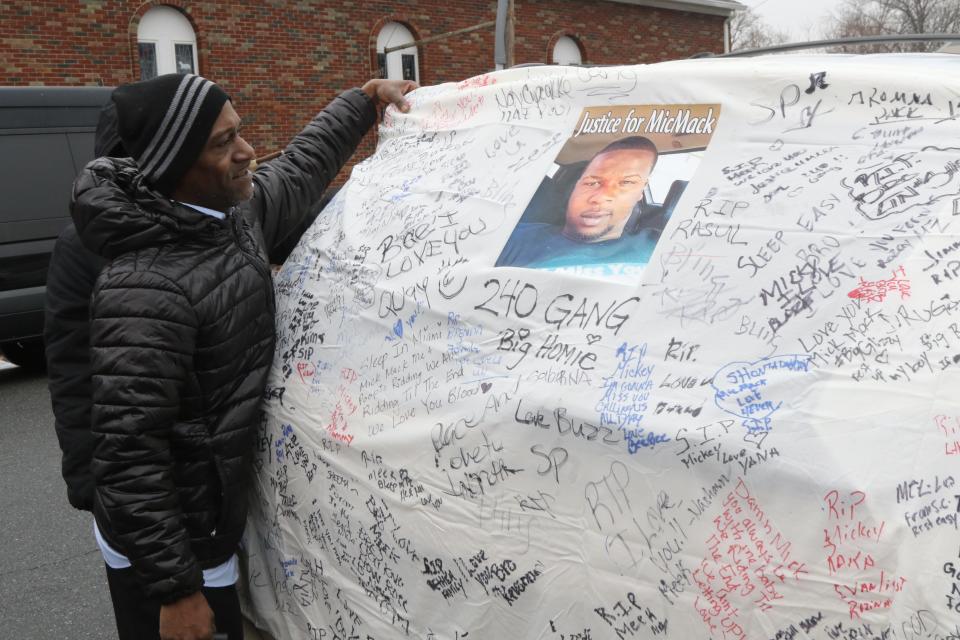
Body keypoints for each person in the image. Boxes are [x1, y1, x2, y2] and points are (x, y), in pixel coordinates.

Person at [68, 73, 416, 640]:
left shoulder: (229, 220)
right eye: (221, 144)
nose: (246, 152)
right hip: (171, 546)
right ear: (173, 166)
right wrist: (176, 590)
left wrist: (363, 102)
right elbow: (129, 453)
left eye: (241, 133)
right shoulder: (143, 289)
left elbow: (301, 165)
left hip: (211, 524)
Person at [495, 136, 660, 269]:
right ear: (575, 187)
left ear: (641, 191)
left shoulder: (659, 250)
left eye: (626, 183)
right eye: (591, 183)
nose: (600, 197)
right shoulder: (513, 239)